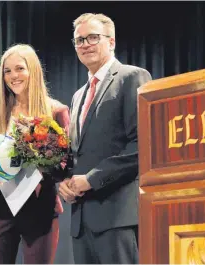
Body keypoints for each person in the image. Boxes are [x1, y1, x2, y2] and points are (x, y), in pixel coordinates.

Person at [58, 13, 152, 264]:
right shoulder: (78, 95)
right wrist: (65, 182)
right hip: (81, 221)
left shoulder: (132, 77)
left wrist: (91, 179)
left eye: (93, 37)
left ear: (111, 42)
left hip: (117, 216)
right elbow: (79, 153)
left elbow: (142, 144)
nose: (85, 44)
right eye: (79, 40)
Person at [0, 44, 70, 264]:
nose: (13, 76)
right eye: (7, 71)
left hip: (40, 209)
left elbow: (66, 166)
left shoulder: (56, 111)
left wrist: (40, 156)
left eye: (19, 68)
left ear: (32, 70)